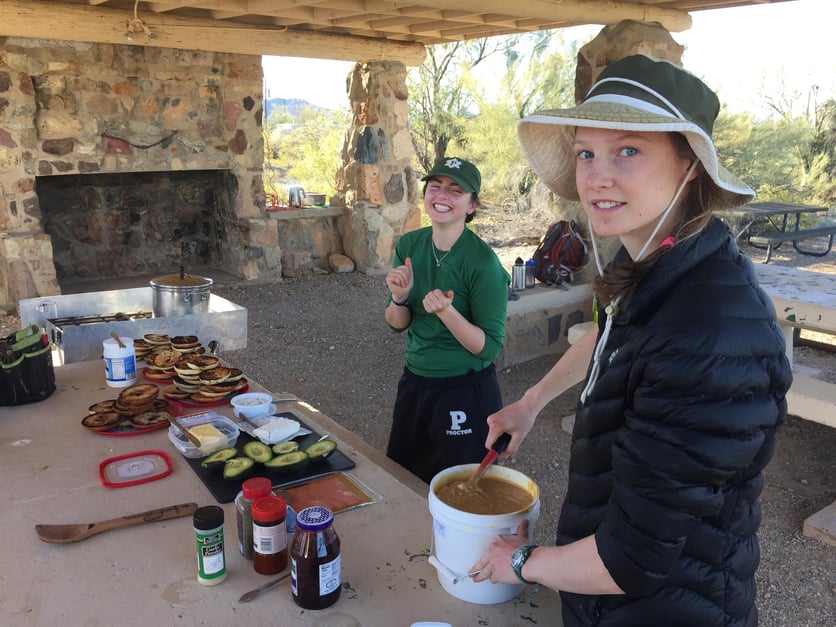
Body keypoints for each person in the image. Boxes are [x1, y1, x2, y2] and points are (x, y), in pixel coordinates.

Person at [471, 55, 793, 626]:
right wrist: (531, 401)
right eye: (586, 153)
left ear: (690, 165)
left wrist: (520, 561)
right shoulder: (655, 260)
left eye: (628, 150)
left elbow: (629, 559)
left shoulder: (711, 328)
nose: (597, 176)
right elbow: (610, 333)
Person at [384, 157, 510, 484]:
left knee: (464, 489)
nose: (442, 195)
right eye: (436, 186)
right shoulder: (410, 245)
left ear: (472, 206)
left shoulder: (482, 263)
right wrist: (399, 296)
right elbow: (397, 323)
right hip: (415, 382)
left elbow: (488, 348)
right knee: (403, 479)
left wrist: (447, 312)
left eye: (456, 190)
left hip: (465, 389)